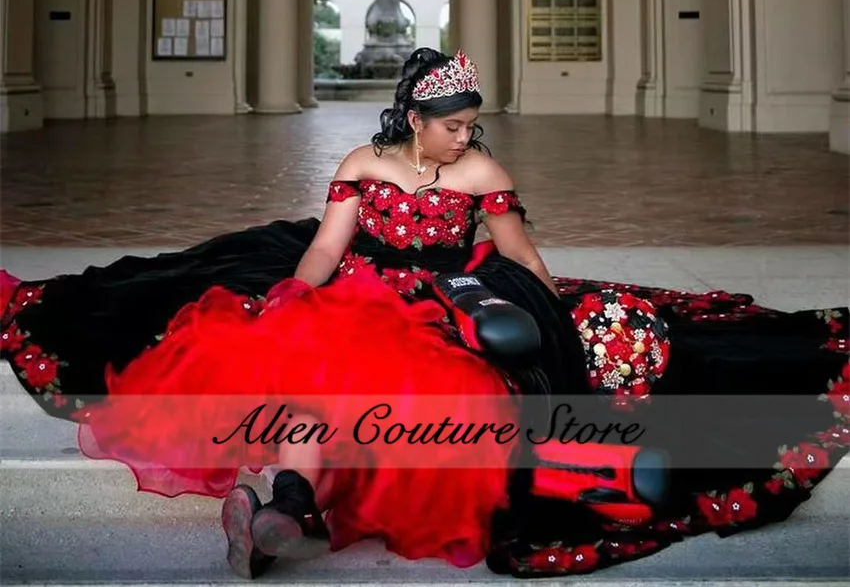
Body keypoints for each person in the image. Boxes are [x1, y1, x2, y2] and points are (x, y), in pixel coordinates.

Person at [1, 48, 847, 581]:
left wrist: (553, 300)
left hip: (460, 291)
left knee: (424, 388)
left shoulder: (481, 173)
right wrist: (298, 294)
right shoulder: (362, 163)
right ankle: (286, 505)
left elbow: (516, 251)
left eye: (473, 127)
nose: (464, 139)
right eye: (454, 127)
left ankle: (283, 511)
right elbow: (328, 248)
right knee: (323, 367)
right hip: (366, 290)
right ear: (415, 117)